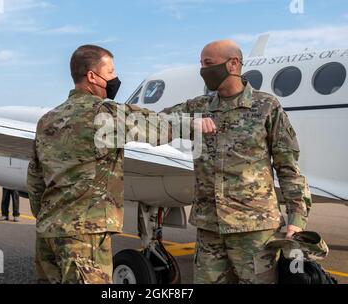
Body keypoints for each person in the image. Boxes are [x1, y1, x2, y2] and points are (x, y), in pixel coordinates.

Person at [162, 39, 312, 284]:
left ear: (233, 64)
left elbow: (288, 166)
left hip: (255, 230)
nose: (202, 70)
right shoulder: (197, 107)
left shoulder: (266, 106)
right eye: (200, 64)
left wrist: (297, 218)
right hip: (210, 228)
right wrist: (187, 123)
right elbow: (154, 122)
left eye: (208, 63)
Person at [27, 45, 175, 284]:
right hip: (85, 234)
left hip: (48, 232)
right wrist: (196, 125)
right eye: (111, 72)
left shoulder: (47, 120)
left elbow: (35, 179)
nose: (115, 79)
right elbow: (159, 130)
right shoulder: (104, 114)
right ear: (92, 77)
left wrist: (50, 217)